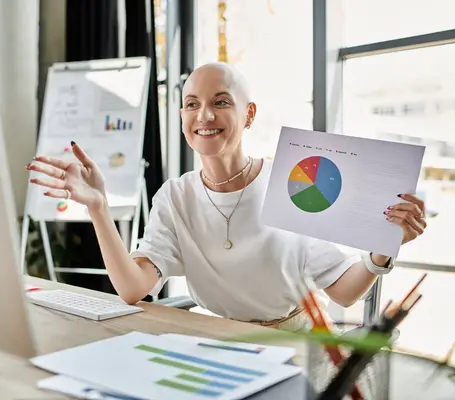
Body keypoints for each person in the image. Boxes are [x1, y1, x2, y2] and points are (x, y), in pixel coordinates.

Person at [27, 62, 426, 324]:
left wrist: (384, 245)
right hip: (218, 343)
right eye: (191, 105)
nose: (204, 116)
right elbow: (133, 289)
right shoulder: (175, 197)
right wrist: (99, 207)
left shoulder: (291, 182)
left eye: (221, 102)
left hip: (296, 344)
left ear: (248, 114)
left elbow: (344, 293)